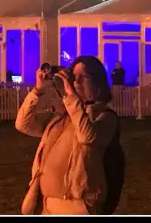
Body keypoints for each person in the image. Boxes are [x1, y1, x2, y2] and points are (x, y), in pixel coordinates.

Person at [15, 55, 123, 215]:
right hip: (45, 206)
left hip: (77, 208)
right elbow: (23, 124)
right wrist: (38, 90)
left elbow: (87, 137)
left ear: (98, 83)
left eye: (83, 77)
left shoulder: (106, 117)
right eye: (74, 77)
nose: (76, 82)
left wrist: (69, 95)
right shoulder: (61, 116)